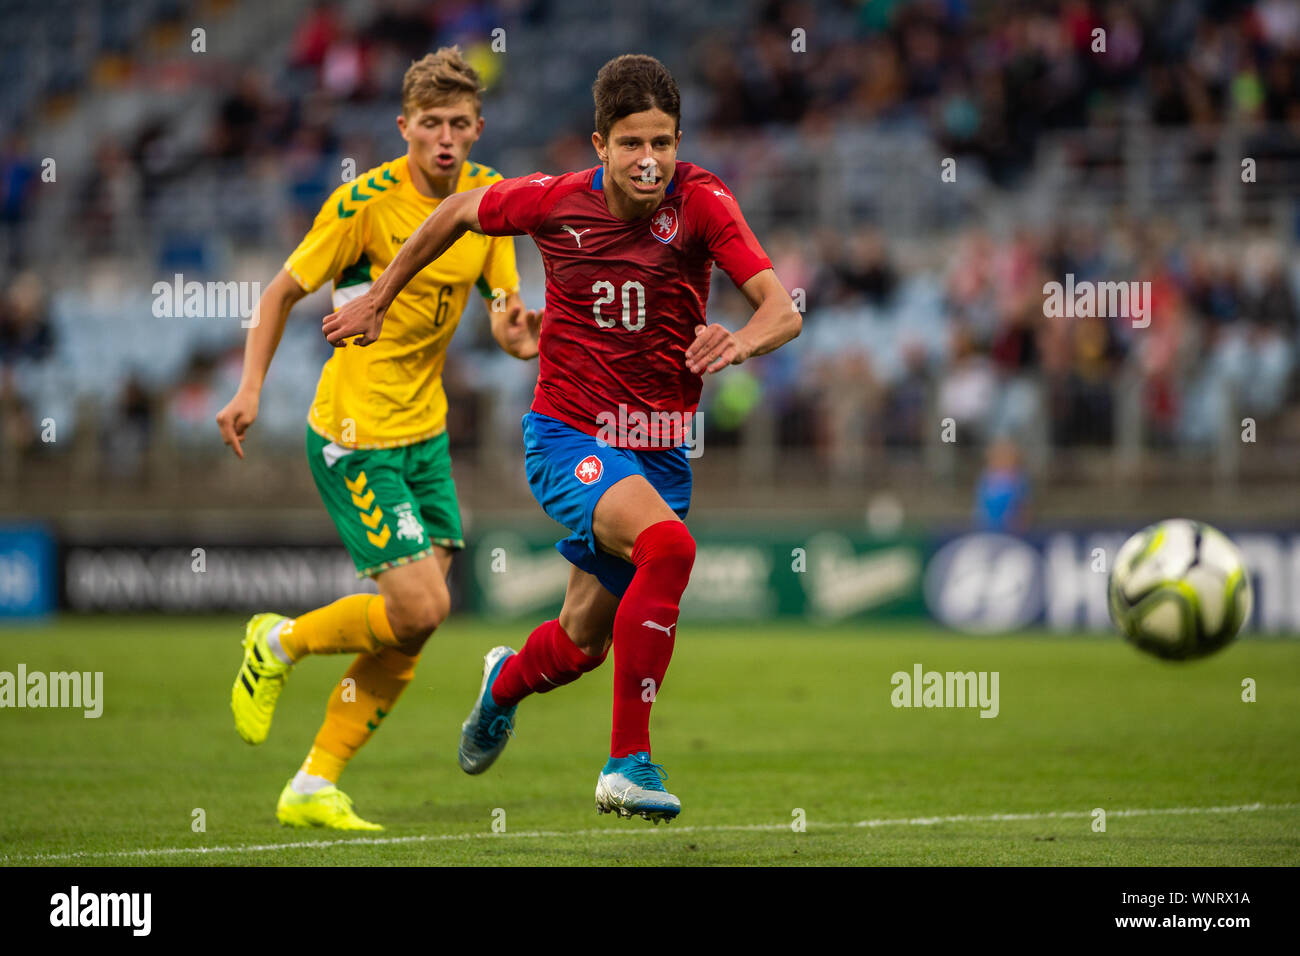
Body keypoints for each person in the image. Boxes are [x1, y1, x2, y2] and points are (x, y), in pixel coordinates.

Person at [324, 54, 801, 823]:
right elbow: (453, 214)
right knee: (670, 550)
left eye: (664, 143)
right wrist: (381, 297)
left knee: (582, 644)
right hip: (567, 433)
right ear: (599, 144)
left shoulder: (705, 201)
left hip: (659, 449)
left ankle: (502, 683)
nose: (650, 161)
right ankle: (627, 764)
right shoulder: (553, 202)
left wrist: (741, 342)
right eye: (633, 144)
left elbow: (783, 309)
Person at [215, 47, 539, 831]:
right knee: (422, 605)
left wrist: (516, 330)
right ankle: (279, 642)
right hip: (354, 434)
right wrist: (251, 387)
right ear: (404, 127)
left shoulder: (491, 198)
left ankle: (313, 782)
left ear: (478, 128)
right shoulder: (363, 203)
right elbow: (281, 291)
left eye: (460, 124)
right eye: (431, 124)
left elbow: (504, 308)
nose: (446, 139)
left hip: (424, 433)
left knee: (420, 617)